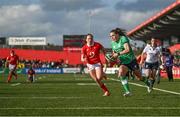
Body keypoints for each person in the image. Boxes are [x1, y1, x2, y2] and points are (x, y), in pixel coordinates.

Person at [109, 28, 150, 96]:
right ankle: (128, 92)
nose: (112, 37)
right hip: (123, 62)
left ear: (117, 34)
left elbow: (127, 49)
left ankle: (148, 83)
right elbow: (114, 54)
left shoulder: (123, 38)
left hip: (131, 60)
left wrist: (118, 54)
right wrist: (112, 57)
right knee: (121, 73)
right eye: (110, 36)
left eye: (113, 35)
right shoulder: (112, 43)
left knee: (139, 77)